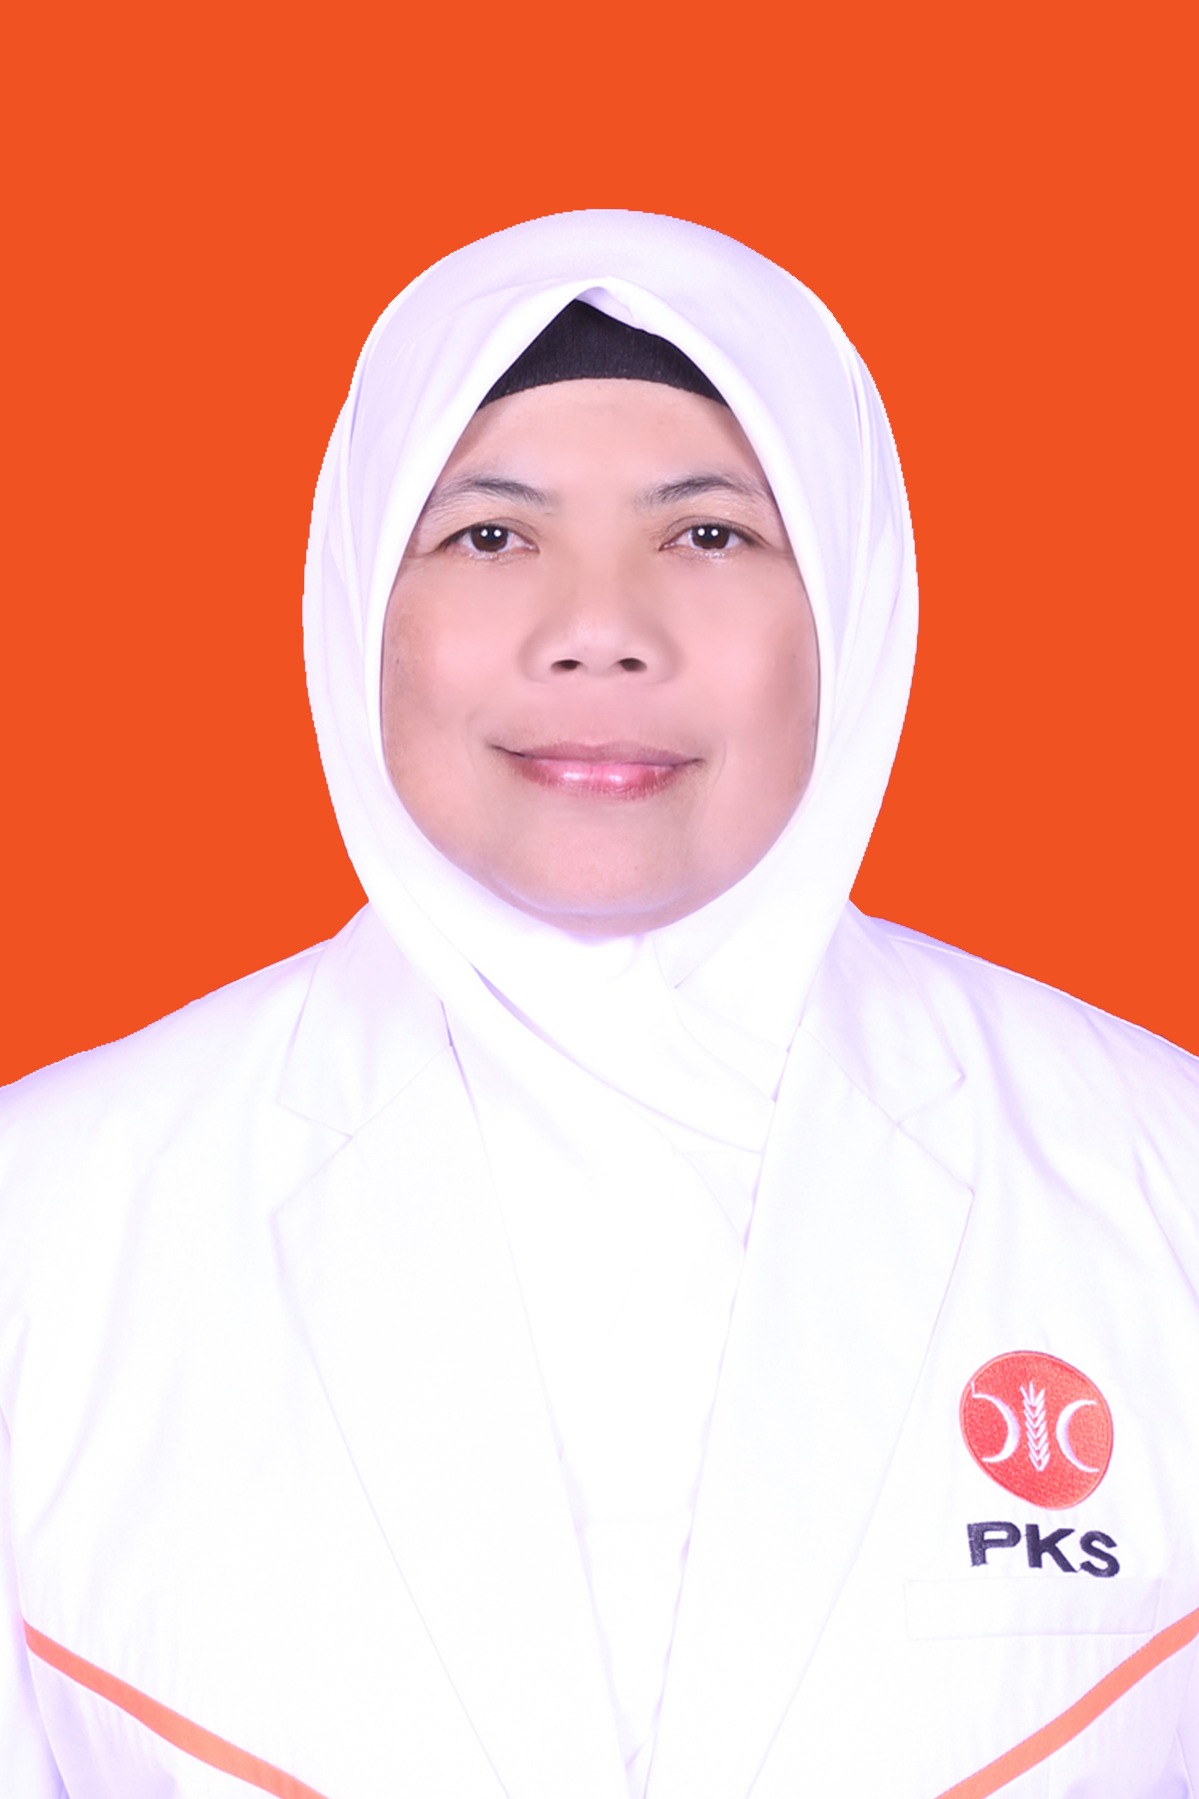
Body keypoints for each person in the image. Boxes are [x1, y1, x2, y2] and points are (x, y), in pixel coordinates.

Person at [1, 209, 1196, 1799]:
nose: (599, 636)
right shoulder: (47, 1222)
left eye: (708, 535)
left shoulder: (1160, 1180)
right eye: (492, 537)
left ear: (853, 599)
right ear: (359, 598)